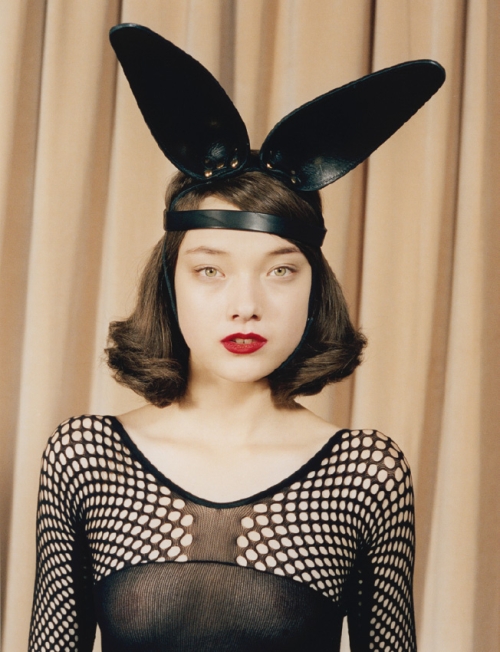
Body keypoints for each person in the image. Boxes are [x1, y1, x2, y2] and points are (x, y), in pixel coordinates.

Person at [28, 24, 445, 652]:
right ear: (169, 286)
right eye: (210, 270)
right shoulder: (85, 457)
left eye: (280, 271)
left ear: (315, 290)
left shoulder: (365, 474)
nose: (245, 305)